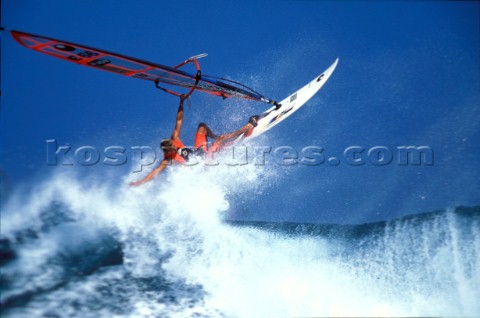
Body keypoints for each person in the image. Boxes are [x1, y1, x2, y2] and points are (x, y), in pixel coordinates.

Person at [129, 96, 259, 186]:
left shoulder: (174, 138)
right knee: (220, 141)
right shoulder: (168, 159)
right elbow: (155, 172)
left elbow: (179, 120)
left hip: (200, 153)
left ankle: (218, 138)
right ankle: (248, 128)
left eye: (172, 145)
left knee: (202, 127)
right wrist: (141, 182)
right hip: (203, 166)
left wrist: (181, 102)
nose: (173, 147)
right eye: (170, 148)